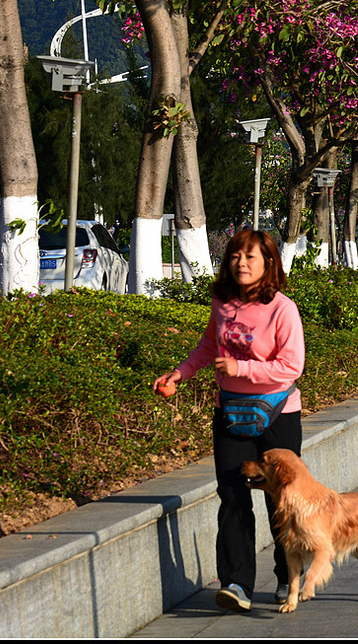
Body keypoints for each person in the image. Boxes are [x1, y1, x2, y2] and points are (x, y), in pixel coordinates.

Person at [153, 229, 304, 613]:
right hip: (231, 414)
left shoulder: (282, 308)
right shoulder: (222, 303)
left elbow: (291, 366)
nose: (242, 263)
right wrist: (180, 374)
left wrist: (242, 367)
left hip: (277, 416)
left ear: (269, 263)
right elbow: (208, 346)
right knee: (233, 496)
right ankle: (237, 583)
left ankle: (288, 577)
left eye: (251, 257)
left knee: (280, 500)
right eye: (236, 256)